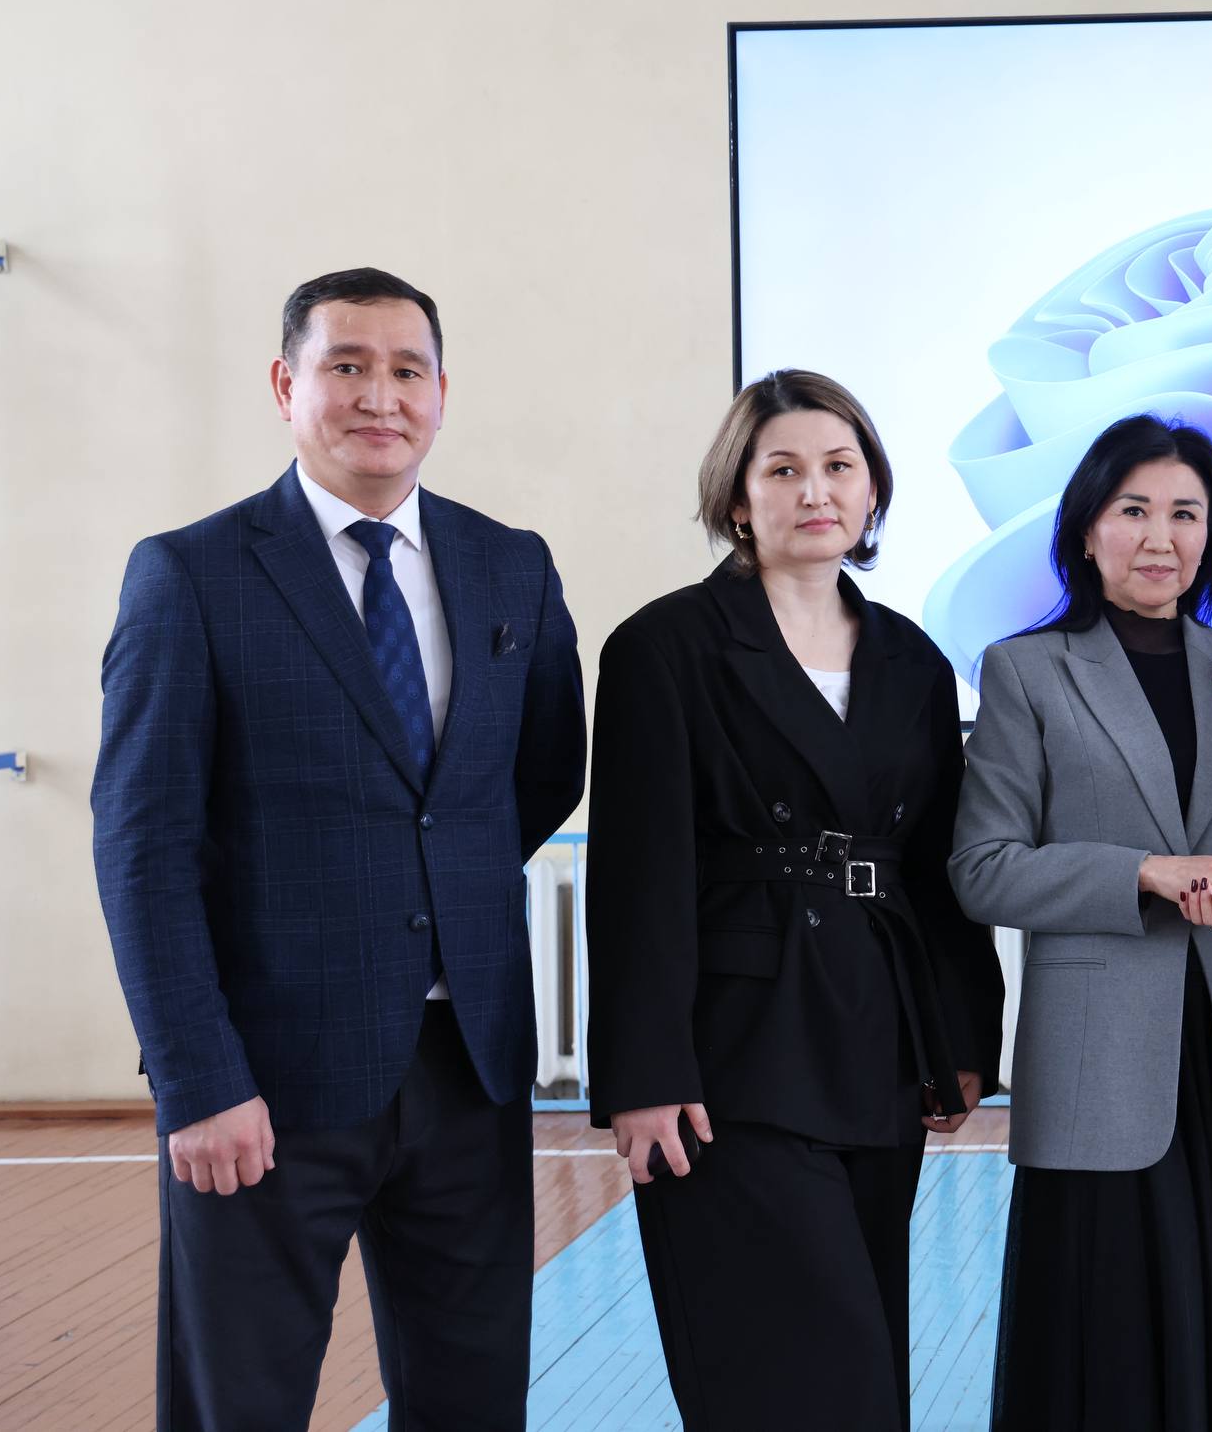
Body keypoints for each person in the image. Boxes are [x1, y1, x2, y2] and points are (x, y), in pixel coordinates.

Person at [90, 268, 587, 1431]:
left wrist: (431, 890)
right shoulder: (192, 574)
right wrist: (199, 1079)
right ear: (285, 384)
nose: (380, 396)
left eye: (408, 370)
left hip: (468, 1066)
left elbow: (536, 776)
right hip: (265, 1081)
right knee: (240, 1405)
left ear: (442, 392)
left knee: (472, 1402)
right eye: (346, 366)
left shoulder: (510, 564)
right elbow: (144, 849)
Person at [585, 369, 1004, 1432]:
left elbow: (934, 865)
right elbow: (636, 877)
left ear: (871, 491)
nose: (815, 490)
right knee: (796, 1371)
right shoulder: (663, 647)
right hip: (730, 1054)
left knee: (867, 1353)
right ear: (738, 497)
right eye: (783, 469)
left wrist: (961, 1035)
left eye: (838, 466)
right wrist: (644, 1075)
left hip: (876, 1038)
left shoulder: (912, 658)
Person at [951, 415, 1212, 1432]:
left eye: (1186, 513)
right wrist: (1148, 875)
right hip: (1100, 1070)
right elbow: (984, 869)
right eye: (1133, 510)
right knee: (1110, 1342)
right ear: (1086, 529)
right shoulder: (1025, 672)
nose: (1160, 537)